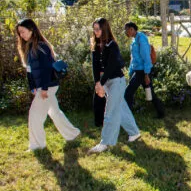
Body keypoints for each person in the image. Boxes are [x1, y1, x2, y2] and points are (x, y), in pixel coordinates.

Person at [15, 19, 80, 151]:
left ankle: (37, 145)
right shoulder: (28, 47)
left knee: (34, 115)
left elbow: (46, 69)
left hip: (48, 86)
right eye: (19, 33)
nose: (21, 35)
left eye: (23, 31)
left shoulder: (41, 46)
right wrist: (32, 86)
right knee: (54, 112)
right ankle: (73, 134)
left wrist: (44, 88)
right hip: (43, 86)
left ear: (31, 30)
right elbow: (30, 70)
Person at [89, 18, 141, 153]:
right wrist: (97, 84)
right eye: (94, 29)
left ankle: (105, 143)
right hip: (104, 82)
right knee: (121, 108)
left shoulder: (112, 45)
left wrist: (101, 83)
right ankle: (134, 133)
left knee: (110, 112)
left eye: (98, 29)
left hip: (116, 81)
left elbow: (112, 67)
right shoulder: (95, 45)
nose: (95, 32)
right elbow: (95, 66)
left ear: (104, 29)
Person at [123, 22, 165, 119]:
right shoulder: (134, 40)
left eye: (126, 30)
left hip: (142, 72)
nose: (125, 32)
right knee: (150, 92)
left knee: (128, 93)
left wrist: (146, 74)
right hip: (138, 71)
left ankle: (127, 117)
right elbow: (133, 58)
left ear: (132, 29)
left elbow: (146, 57)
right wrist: (130, 71)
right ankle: (161, 112)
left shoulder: (141, 39)